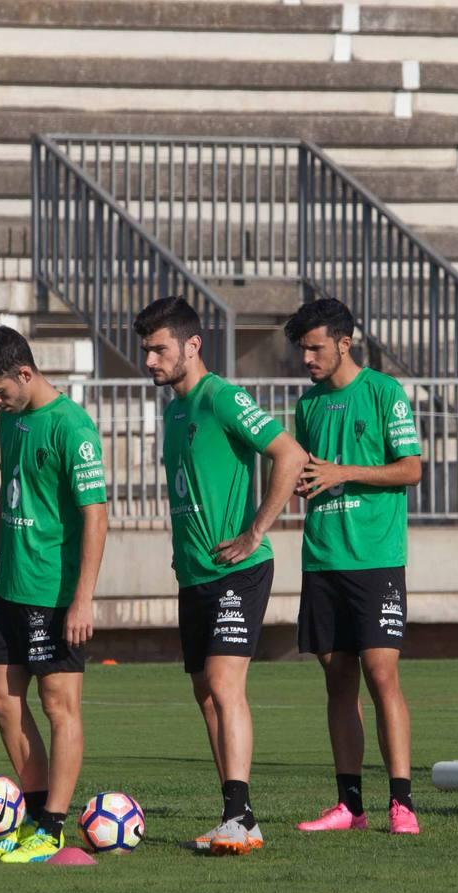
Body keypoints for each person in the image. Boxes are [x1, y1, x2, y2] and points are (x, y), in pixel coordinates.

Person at [134, 296, 308, 855]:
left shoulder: (224, 397)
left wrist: (256, 530)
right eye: (145, 351)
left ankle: (242, 817)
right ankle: (234, 813)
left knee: (224, 682)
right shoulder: (173, 410)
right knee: (205, 694)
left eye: (159, 349)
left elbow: (290, 454)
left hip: (240, 568)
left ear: (192, 346)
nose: (150, 361)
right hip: (194, 576)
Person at [0, 326, 108, 864]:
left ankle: (51, 826)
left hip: (55, 592)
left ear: (25, 373)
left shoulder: (72, 426)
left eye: (0, 390)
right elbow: (10, 493)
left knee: (58, 704)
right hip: (13, 587)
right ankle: (32, 811)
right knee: (1, 697)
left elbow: (96, 516)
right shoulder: (13, 421)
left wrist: (83, 598)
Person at [284, 299, 424, 836]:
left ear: (345, 342)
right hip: (322, 558)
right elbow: (313, 471)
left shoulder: (385, 392)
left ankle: (403, 803)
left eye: (315, 347)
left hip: (376, 560)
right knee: (336, 680)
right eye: (302, 348)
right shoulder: (309, 405)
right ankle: (350, 806)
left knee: (381, 673)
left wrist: (345, 471)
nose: (307, 358)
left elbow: (411, 469)